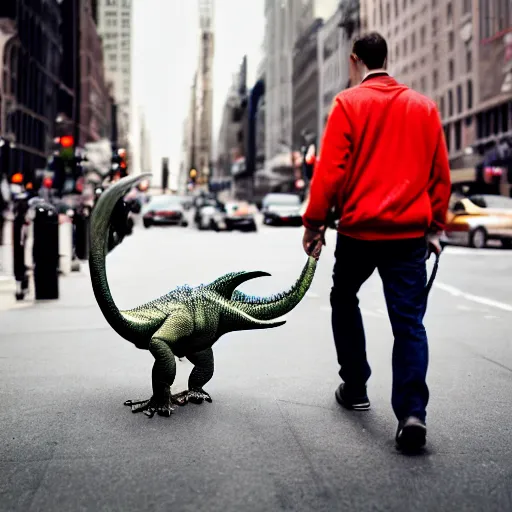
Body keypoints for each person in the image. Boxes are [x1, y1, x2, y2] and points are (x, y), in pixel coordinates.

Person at [301, 32, 451, 452]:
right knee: (409, 323)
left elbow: (329, 173)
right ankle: (412, 414)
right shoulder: (423, 107)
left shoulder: (348, 104)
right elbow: (440, 175)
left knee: (344, 296)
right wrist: (435, 226)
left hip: (359, 231)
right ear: (387, 58)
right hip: (407, 237)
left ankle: (355, 384)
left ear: (354, 61)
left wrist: (314, 224)